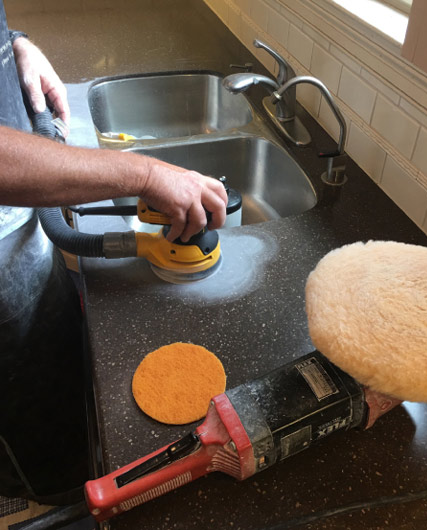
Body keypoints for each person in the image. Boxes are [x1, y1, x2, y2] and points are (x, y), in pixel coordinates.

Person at [0, 4, 228, 504]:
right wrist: (145, 175)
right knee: (27, 417)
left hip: (20, 236)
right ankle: (57, 500)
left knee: (59, 376)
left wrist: (12, 44)